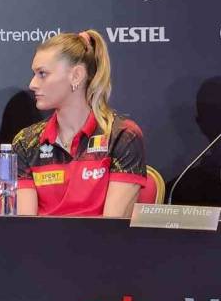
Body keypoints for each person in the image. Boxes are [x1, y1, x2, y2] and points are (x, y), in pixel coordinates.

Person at [13, 30, 146, 217]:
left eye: (42, 74)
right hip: (41, 237)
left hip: (100, 237)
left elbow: (113, 227)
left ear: (76, 76)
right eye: (34, 74)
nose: (32, 84)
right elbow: (25, 226)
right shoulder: (26, 142)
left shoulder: (123, 136)